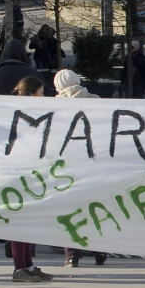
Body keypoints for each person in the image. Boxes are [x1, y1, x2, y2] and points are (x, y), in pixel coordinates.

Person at [53, 69, 106, 266]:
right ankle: (100, 250)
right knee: (95, 206)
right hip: (94, 163)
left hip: (67, 164)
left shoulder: (54, 107)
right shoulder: (96, 101)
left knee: (69, 208)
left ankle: (71, 254)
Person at [8, 76, 55, 283]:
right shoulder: (18, 113)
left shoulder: (32, 113)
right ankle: (20, 268)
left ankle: (27, 265)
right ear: (31, 93)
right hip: (18, 172)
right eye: (41, 92)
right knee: (18, 221)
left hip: (31, 171)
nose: (43, 96)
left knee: (27, 222)